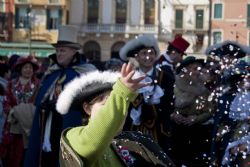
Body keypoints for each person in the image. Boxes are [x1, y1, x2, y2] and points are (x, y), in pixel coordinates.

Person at [57, 63, 176, 167]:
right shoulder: (74, 137)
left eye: (122, 106)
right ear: (87, 108)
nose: (119, 112)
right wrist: (122, 92)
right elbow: (96, 137)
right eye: (106, 105)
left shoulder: (136, 140)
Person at [24, 25, 96, 167]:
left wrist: (64, 105)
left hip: (71, 129)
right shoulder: (52, 73)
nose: (59, 54)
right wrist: (44, 105)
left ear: (73, 51)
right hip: (47, 129)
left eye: (62, 50)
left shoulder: (86, 74)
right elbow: (39, 100)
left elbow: (91, 104)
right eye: (57, 50)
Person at [119, 34, 173, 154]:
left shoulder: (166, 77)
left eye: (151, 53)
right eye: (144, 53)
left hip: (159, 132)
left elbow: (169, 104)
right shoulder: (128, 77)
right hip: (133, 130)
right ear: (137, 57)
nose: (148, 57)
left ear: (155, 55)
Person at [170, 56, 215, 166]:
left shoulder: (204, 90)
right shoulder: (173, 85)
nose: (198, 72)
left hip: (197, 132)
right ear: (185, 70)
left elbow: (210, 111)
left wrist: (195, 119)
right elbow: (165, 107)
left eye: (199, 69)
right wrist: (173, 115)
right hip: (175, 131)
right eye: (195, 69)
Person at [0, 56, 40, 167]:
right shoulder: (11, 84)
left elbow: (38, 104)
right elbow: (6, 103)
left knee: (28, 155)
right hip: (13, 124)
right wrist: (14, 112)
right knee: (11, 155)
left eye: (30, 67)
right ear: (20, 69)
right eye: (26, 67)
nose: (28, 70)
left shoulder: (38, 85)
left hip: (31, 126)